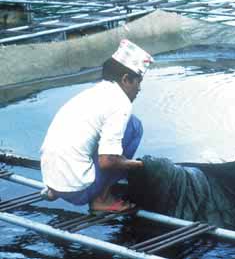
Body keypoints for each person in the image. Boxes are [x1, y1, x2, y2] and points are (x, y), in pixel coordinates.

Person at [40, 39, 153, 213]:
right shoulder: (121, 103)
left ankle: (57, 189)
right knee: (134, 126)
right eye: (138, 82)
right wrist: (139, 165)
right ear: (125, 79)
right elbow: (107, 161)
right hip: (79, 192)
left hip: (51, 179)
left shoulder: (95, 92)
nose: (139, 89)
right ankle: (101, 199)